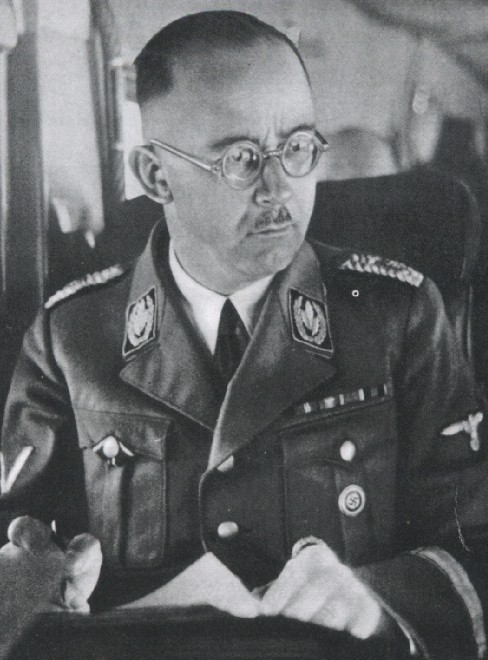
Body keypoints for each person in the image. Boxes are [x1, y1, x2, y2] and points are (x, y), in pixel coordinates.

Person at [1, 10, 488, 659]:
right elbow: (21, 547)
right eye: (240, 159)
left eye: (298, 147)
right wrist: (34, 584)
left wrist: (378, 601)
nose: (279, 188)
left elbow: (476, 541)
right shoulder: (69, 338)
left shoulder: (398, 316)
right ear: (155, 176)